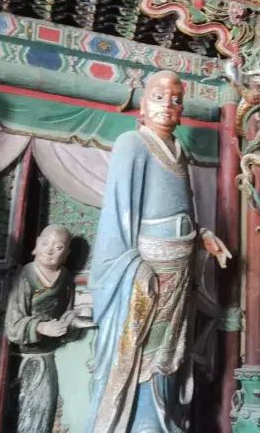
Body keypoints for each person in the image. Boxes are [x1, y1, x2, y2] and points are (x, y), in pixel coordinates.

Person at [86, 71, 230, 433]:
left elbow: (183, 213)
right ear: (142, 104)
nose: (168, 105)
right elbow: (117, 216)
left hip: (180, 272)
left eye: (176, 100)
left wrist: (202, 236)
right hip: (145, 273)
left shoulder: (180, 151)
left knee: (171, 352)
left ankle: (164, 420)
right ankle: (140, 422)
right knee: (142, 349)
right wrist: (135, 267)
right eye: (159, 97)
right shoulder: (133, 143)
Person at [5, 224, 89, 433]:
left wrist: (72, 322)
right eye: (45, 244)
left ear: (66, 253)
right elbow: (12, 325)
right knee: (26, 411)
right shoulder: (26, 275)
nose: (49, 251)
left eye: (58, 247)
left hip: (50, 355)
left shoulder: (65, 277)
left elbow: (66, 313)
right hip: (24, 357)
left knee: (45, 410)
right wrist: (41, 327)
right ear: (36, 245)